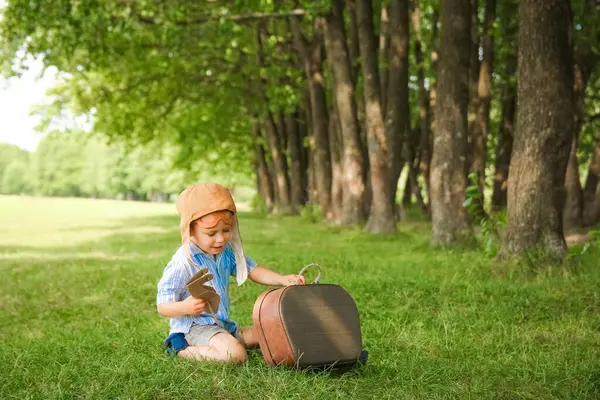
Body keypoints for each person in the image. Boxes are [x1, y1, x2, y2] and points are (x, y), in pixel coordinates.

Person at [156, 182, 305, 363]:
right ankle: (180, 349)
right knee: (236, 354)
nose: (220, 239)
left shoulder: (225, 252)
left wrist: (281, 279)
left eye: (226, 230)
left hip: (222, 324)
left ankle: (227, 338)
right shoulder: (183, 262)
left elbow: (252, 270)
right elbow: (162, 305)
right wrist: (184, 307)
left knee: (271, 334)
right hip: (195, 327)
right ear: (190, 231)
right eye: (211, 234)